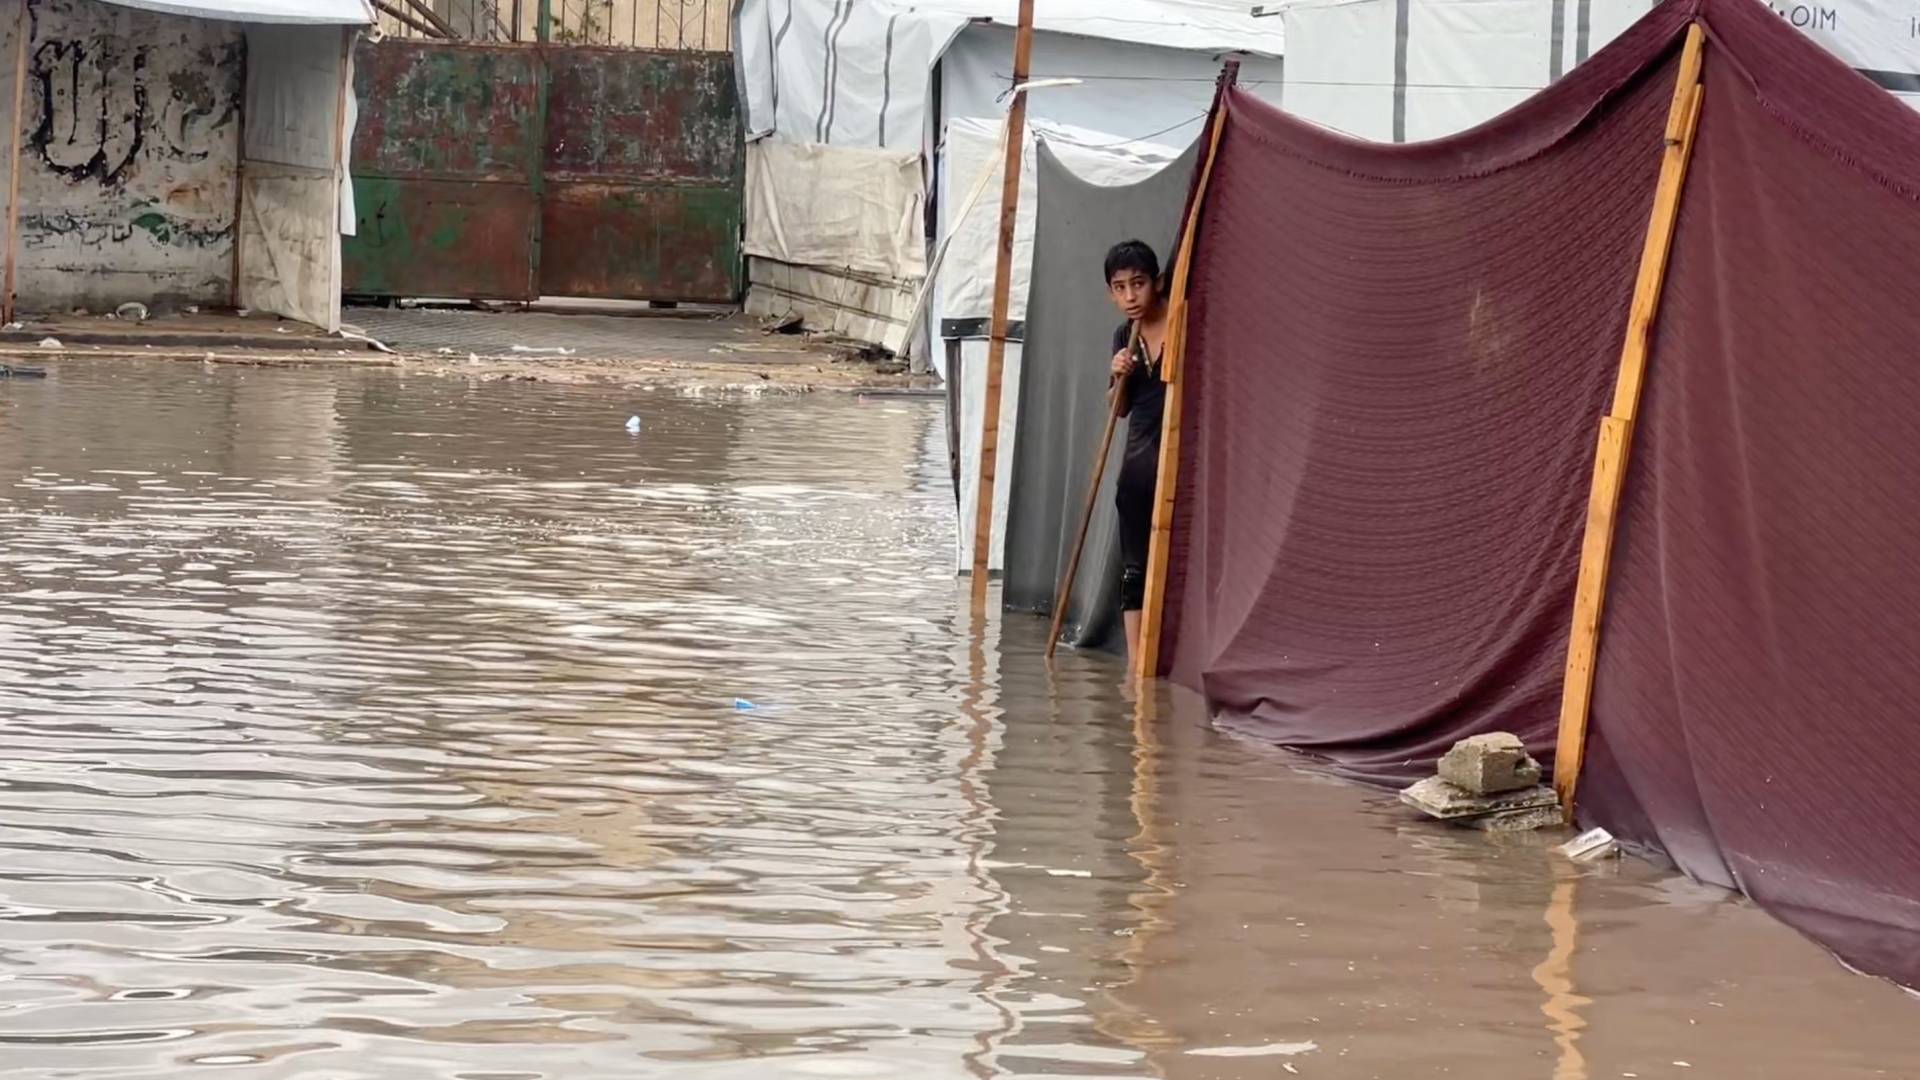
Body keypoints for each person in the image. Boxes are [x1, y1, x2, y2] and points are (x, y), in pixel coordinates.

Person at [1104, 239, 1170, 673]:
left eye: (1139, 284)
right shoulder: (1123, 338)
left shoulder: (1182, 321)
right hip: (1138, 465)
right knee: (1134, 567)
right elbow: (1118, 409)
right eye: (1120, 287)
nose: (1130, 296)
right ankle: (1135, 667)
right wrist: (1118, 377)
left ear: (1157, 283)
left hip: (1176, 458)